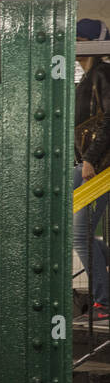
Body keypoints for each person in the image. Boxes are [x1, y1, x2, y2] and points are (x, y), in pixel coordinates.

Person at [74, 17, 110, 322]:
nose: (74, 46)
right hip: (86, 165)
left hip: (98, 167)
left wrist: (91, 158)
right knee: (79, 233)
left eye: (80, 41)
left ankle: (103, 301)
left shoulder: (103, 73)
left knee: (80, 233)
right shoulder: (85, 80)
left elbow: (109, 119)